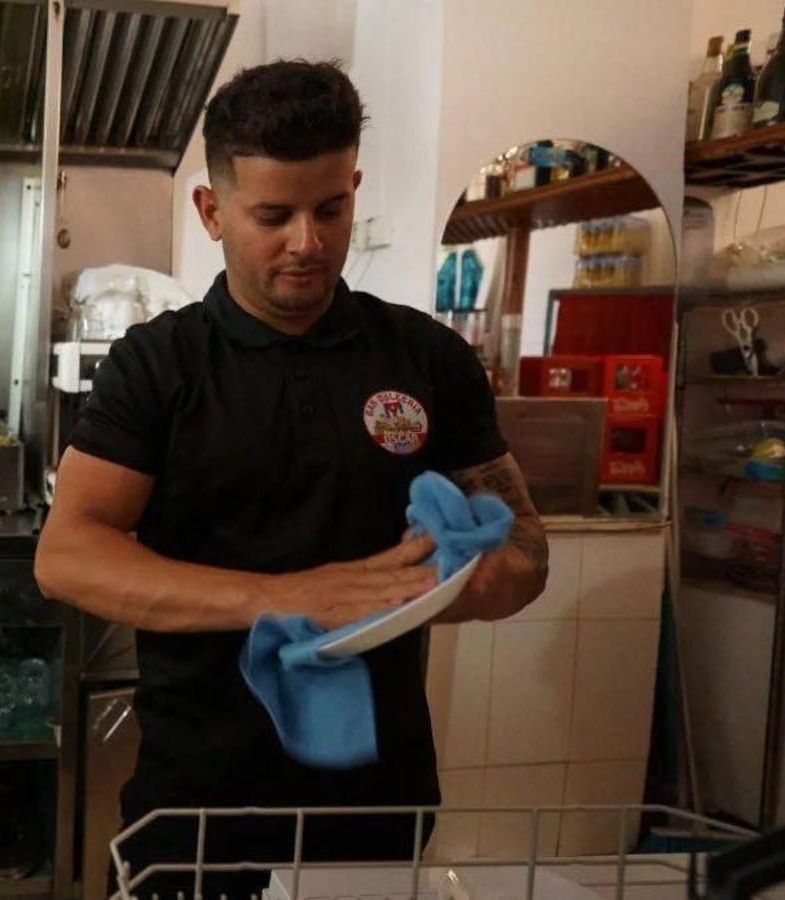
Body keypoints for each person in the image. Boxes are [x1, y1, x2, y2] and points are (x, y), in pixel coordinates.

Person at [35, 61, 549, 896]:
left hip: (377, 808)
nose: (307, 242)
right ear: (212, 211)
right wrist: (287, 598)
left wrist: (465, 580)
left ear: (353, 189)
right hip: (197, 808)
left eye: (330, 209)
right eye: (273, 216)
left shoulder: (428, 358)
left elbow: (527, 550)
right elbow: (67, 557)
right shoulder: (159, 366)